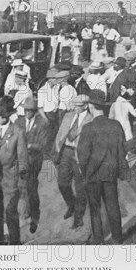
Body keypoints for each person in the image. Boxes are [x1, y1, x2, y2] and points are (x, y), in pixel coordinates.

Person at [77, 90, 128, 244]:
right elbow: (122, 149)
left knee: (95, 209)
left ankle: (98, 240)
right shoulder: (116, 125)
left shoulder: (88, 128)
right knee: (113, 206)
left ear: (91, 107)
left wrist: (85, 173)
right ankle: (118, 239)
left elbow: (82, 156)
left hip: (93, 175)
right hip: (110, 173)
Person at [0, 99, 28, 245]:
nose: (1, 118)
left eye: (4, 115)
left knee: (10, 211)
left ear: (8, 115)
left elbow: (23, 159)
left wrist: (22, 182)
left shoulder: (18, 132)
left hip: (10, 177)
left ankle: (15, 241)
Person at [54, 94, 92, 229]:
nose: (74, 107)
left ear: (86, 106)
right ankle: (71, 204)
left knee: (80, 188)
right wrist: (58, 149)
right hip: (65, 152)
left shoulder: (91, 119)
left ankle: (78, 217)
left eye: (78, 105)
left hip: (79, 155)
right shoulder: (68, 116)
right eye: (73, 104)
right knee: (62, 183)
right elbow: (60, 133)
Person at [16, 96, 49, 234]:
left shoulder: (41, 124)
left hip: (34, 159)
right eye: (26, 110)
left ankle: (34, 217)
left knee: (31, 188)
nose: (28, 113)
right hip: (21, 160)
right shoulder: (19, 122)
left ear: (35, 111)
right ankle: (24, 213)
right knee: (21, 187)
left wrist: (29, 146)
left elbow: (43, 144)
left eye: (30, 111)